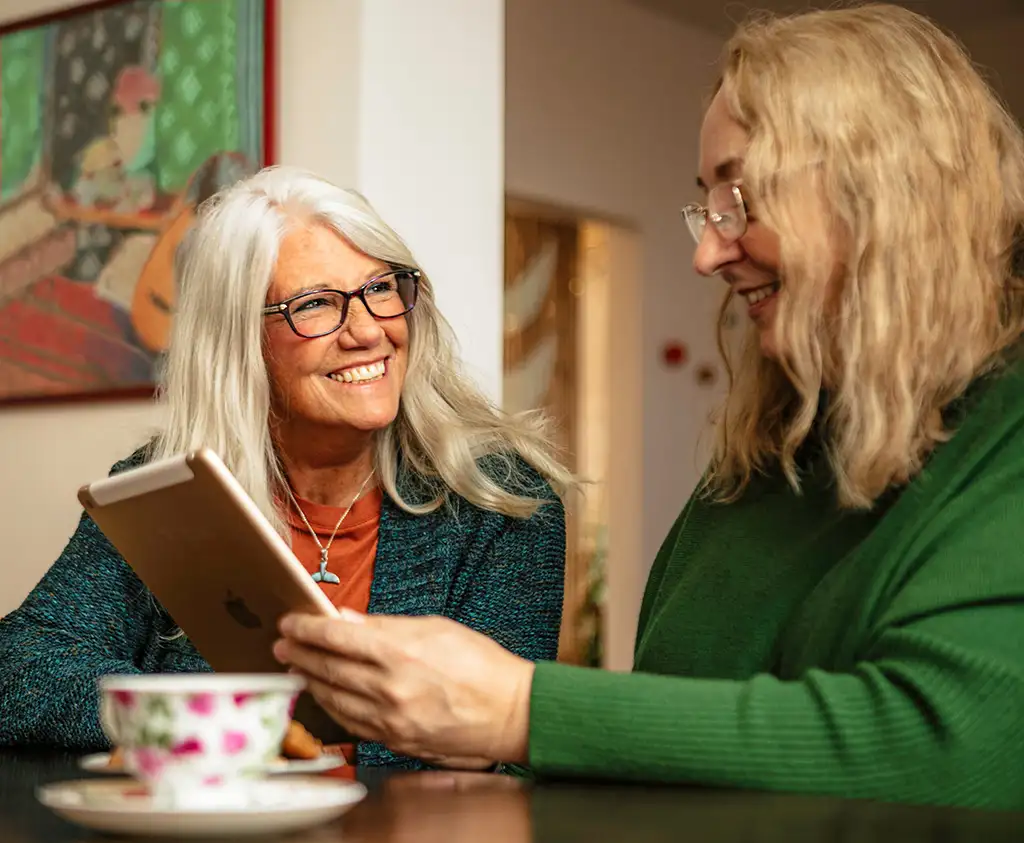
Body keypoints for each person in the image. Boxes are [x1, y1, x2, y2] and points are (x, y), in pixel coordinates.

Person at [272, 5, 1024, 809]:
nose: (707, 252)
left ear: (885, 192)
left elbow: (953, 746)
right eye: (708, 206)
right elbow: (680, 748)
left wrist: (520, 709)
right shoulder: (767, 455)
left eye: (741, 198)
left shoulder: (1000, 433)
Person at [0, 166, 571, 769]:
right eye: (317, 304)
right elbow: (21, 669)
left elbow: (500, 754)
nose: (367, 331)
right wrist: (227, 723)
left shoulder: (500, 499)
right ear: (241, 339)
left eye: (381, 289)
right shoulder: (167, 490)